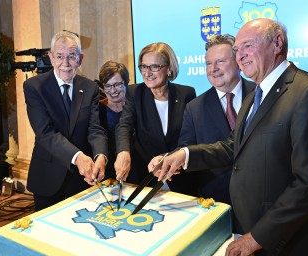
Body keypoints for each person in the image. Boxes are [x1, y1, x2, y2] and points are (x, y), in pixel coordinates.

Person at [150, 18, 308, 255]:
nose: (241, 56)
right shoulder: (255, 97)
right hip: (253, 229)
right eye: (238, 50)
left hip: (289, 240)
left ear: (277, 43)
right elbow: (233, 147)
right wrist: (184, 155)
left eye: (248, 46)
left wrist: (256, 238)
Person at [23, 31, 108, 211]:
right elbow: (45, 133)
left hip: (82, 179)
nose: (66, 64)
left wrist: (101, 155)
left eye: (71, 56)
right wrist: (78, 158)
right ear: (51, 58)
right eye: (60, 57)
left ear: (80, 58)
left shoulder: (90, 87)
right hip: (48, 178)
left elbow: (95, 129)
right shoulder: (34, 87)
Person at [178, 34, 255, 204]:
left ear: (238, 62)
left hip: (259, 198)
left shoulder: (260, 95)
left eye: (220, 61)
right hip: (217, 201)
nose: (213, 69)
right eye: (208, 63)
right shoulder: (194, 108)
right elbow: (187, 151)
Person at [114, 42, 197, 195]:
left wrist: (171, 158)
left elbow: (190, 137)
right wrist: (123, 151)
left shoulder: (186, 94)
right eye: (144, 67)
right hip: (146, 179)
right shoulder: (134, 92)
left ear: (169, 68)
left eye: (154, 67)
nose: (147, 73)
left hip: (179, 179)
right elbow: (124, 125)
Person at [97, 60, 129, 180]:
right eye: (108, 86)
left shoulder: (135, 107)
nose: (113, 90)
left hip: (137, 171)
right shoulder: (97, 109)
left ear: (126, 83)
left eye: (117, 85)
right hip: (106, 173)